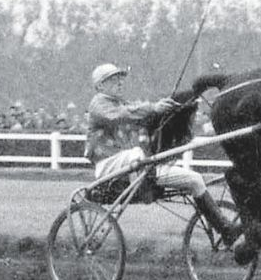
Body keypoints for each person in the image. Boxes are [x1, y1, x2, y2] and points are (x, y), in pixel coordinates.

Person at [86, 63, 240, 243]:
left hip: (133, 168)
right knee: (136, 153)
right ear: (99, 86)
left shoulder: (122, 103)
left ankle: (224, 228)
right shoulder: (98, 104)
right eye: (112, 80)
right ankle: (146, 189)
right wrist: (153, 108)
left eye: (120, 79)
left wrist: (171, 109)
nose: (119, 83)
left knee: (196, 180)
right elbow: (121, 115)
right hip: (108, 167)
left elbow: (139, 113)